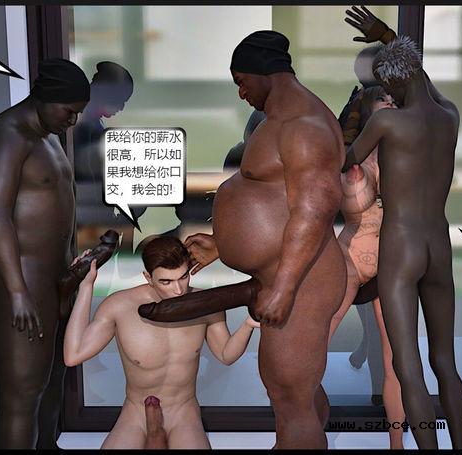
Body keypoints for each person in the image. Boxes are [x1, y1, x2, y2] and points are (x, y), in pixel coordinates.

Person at [138, 30, 346, 449]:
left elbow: (315, 208)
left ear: (263, 72)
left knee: (290, 397)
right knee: (296, 394)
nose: (241, 92)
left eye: (241, 81)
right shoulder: (281, 122)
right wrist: (223, 244)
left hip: (301, 280)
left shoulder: (303, 125)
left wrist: (284, 287)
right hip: (286, 273)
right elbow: (279, 201)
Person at [342, 7, 462, 449]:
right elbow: (423, 83)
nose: (387, 95)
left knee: (407, 367)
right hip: (438, 244)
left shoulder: (386, 121)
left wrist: (347, 118)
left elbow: (345, 160)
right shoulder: (449, 115)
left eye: (387, 87)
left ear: (393, 83)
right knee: (445, 362)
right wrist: (389, 37)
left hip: (401, 243)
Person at [0, 58, 90, 448]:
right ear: (44, 98)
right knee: (22, 392)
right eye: (68, 111)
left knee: (54, 377)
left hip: (57, 278)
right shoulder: (9, 135)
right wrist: (17, 290)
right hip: (22, 279)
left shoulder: (49, 136)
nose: (73, 120)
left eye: (78, 112)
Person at [63, 236, 259, 449]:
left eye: (183, 277)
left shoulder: (206, 305)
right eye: (166, 282)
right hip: (137, 412)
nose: (178, 290)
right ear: (148, 277)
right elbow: (73, 355)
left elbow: (226, 355)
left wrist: (248, 324)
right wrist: (86, 287)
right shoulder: (119, 306)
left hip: (183, 412)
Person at [328, 85, 406, 449]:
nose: (389, 103)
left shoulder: (403, 151)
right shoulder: (345, 155)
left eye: (393, 100)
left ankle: (396, 444)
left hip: (391, 259)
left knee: (395, 361)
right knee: (314, 343)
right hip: (352, 256)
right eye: (381, 99)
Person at [71, 61, 145, 254]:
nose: (121, 107)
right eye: (120, 99)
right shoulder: (80, 125)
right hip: (86, 225)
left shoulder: (90, 123)